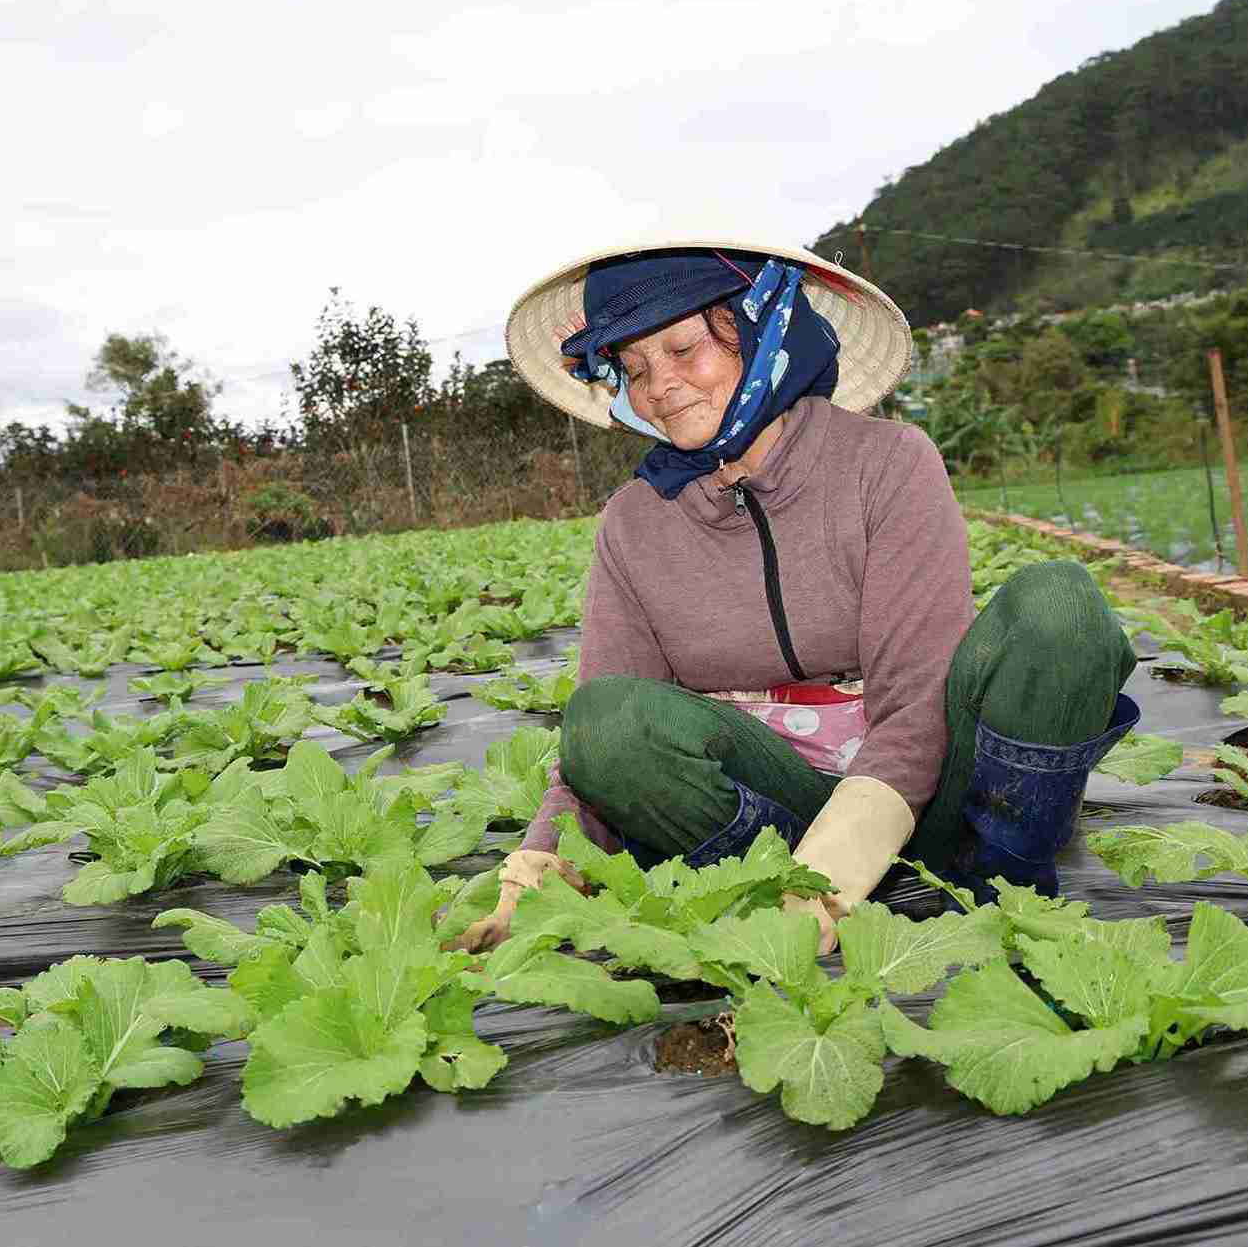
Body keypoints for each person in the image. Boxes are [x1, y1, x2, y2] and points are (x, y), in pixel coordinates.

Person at [452, 241, 1138, 953]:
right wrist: (525, 891)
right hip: (770, 819)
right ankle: (761, 893)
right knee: (605, 720)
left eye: (685, 348)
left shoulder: (887, 463)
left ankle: (1004, 881)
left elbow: (915, 709)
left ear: (761, 323)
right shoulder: (635, 521)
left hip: (934, 807)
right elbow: (594, 744)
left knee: (1060, 606)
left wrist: (828, 886)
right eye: (635, 368)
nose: (661, 386)